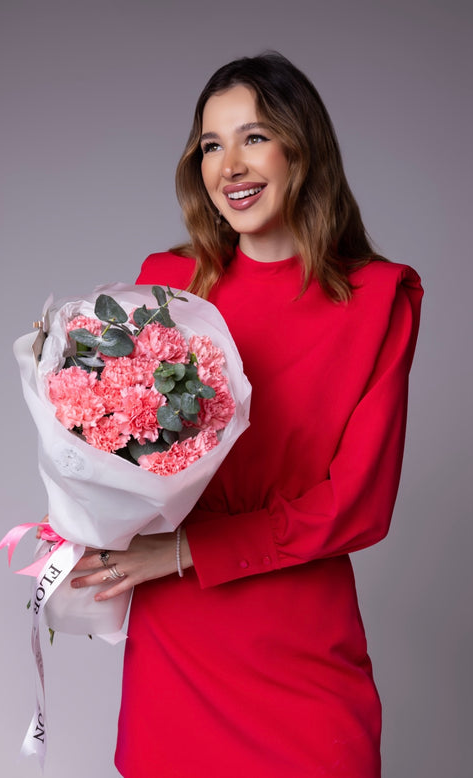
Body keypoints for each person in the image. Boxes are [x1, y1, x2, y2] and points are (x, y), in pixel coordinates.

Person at [71, 52, 423, 777]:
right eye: (210, 144)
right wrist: (85, 523)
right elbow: (121, 456)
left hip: (296, 643)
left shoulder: (378, 299)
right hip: (177, 644)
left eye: (254, 137)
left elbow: (358, 506)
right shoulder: (164, 285)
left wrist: (178, 553)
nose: (228, 164)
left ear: (302, 146)